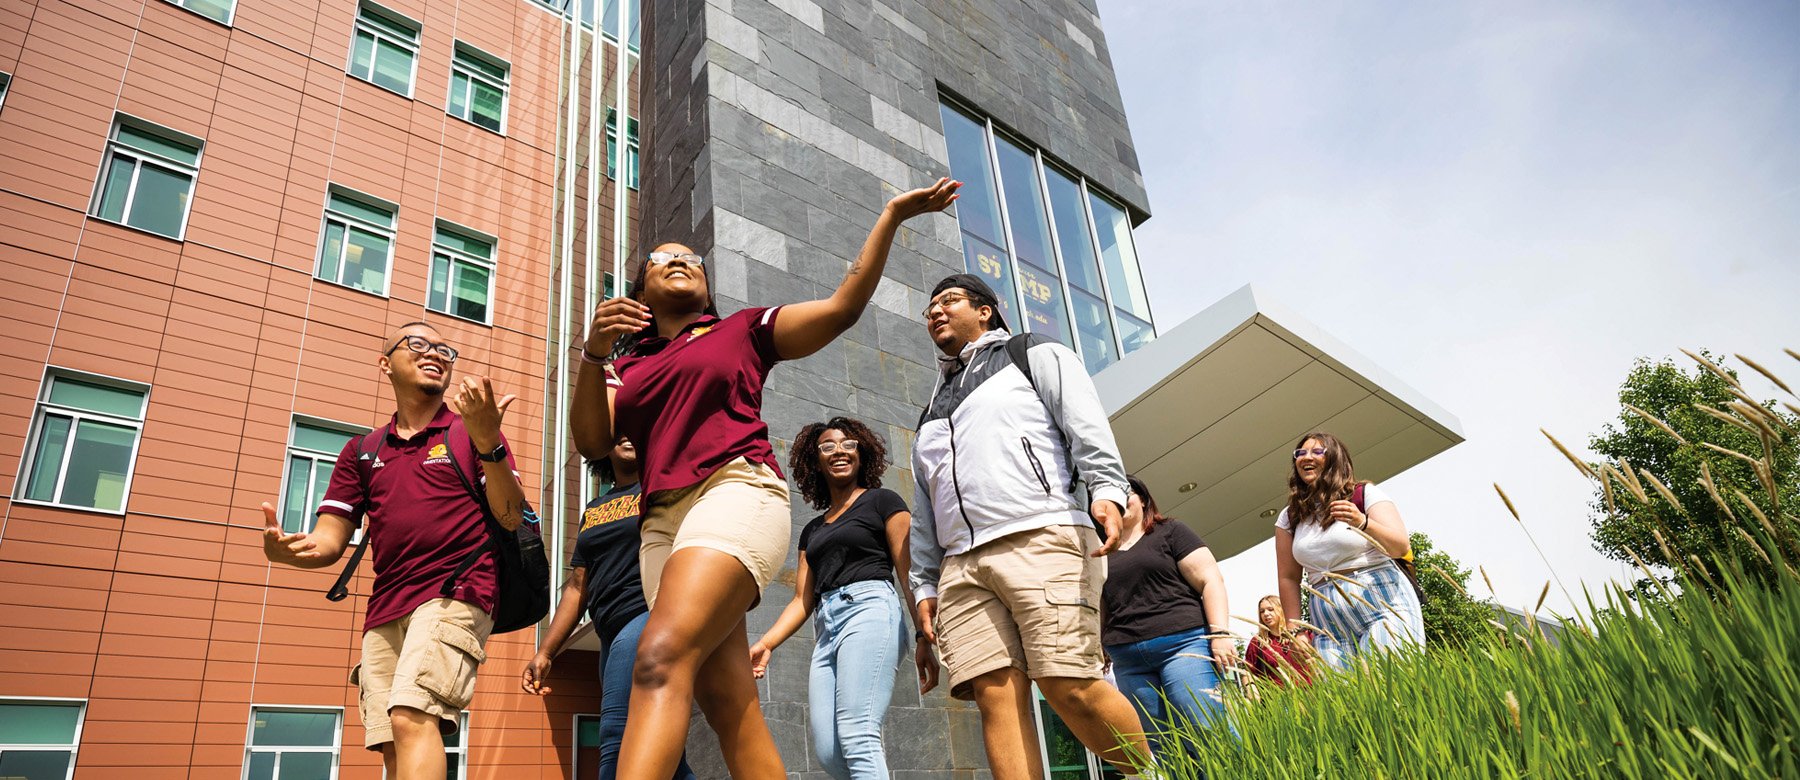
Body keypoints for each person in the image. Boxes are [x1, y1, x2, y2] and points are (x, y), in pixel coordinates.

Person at [570, 179, 960, 780]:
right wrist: (593, 357)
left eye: (691, 259)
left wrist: (890, 216)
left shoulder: (743, 330)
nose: (679, 261)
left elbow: (841, 308)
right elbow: (593, 443)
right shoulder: (627, 364)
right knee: (730, 707)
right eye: (661, 259)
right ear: (639, 290)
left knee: (657, 659)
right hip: (660, 525)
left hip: (734, 491)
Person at [257, 321, 526, 780]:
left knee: (411, 714)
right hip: (385, 607)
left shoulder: (472, 432)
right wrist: (293, 551)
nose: (435, 354)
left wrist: (488, 444)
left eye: (445, 349)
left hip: (456, 589)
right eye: (419, 344)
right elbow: (330, 540)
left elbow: (510, 516)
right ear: (386, 364)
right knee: (392, 743)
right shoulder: (362, 451)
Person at [907, 273, 1150, 778]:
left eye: (949, 301)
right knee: (995, 696)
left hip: (1042, 533)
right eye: (929, 307)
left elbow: (1085, 423)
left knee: (1068, 682)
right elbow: (925, 506)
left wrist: (1107, 488)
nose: (935, 311)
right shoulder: (930, 411)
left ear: (986, 311)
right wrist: (924, 583)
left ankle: (1150, 773)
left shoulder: (1031, 353)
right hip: (961, 568)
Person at [748, 418, 918, 779]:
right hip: (827, 628)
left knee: (858, 735)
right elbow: (801, 600)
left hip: (870, 610)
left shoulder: (882, 501)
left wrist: (922, 634)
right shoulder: (813, 529)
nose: (839, 451)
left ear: (861, 453)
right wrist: (767, 643)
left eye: (848, 444)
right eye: (828, 446)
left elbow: (908, 572)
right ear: (816, 460)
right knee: (830, 752)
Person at [520, 437, 695, 780]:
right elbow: (577, 585)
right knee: (669, 759)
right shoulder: (595, 508)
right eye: (618, 429)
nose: (628, 434)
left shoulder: (663, 489)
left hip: (650, 616)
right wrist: (546, 652)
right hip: (609, 632)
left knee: (616, 733)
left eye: (636, 426)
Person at [1100, 475, 1236, 761]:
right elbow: (1100, 602)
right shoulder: (1098, 550)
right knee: (1165, 749)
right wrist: (1098, 644)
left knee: (1206, 728)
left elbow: (1210, 580)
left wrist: (1221, 634)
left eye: (1125, 492)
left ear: (1143, 499)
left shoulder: (1170, 531)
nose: (1119, 499)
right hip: (1128, 660)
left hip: (1183, 646)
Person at [1273, 432, 1424, 669]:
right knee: (1344, 699)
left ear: (1334, 458)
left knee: (1389, 687)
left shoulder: (1364, 494)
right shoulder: (1290, 516)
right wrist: (1296, 629)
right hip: (1326, 617)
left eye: (1316, 452)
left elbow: (1400, 546)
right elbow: (1288, 577)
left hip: (1381, 600)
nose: (1305, 457)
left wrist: (1363, 522)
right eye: (1300, 453)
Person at [1243, 595, 1314, 694]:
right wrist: (1250, 688)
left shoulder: (1302, 636)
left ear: (1282, 609)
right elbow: (1247, 672)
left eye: (1270, 609)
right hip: (1278, 699)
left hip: (1310, 695)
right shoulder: (1258, 642)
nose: (1266, 614)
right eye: (1262, 611)